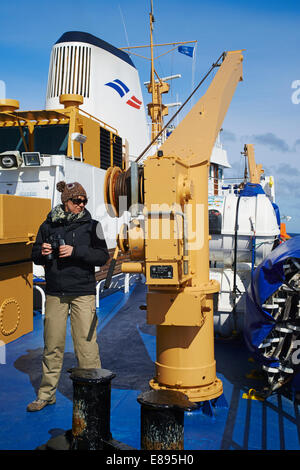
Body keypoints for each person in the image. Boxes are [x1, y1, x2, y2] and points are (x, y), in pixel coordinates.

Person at [27, 181, 109, 412]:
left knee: (86, 346)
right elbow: (35, 254)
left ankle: (93, 397)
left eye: (84, 201)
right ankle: (46, 395)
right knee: (52, 345)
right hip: (55, 293)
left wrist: (76, 251)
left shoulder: (94, 226)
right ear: (66, 202)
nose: (81, 205)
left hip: (83, 293)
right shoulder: (47, 225)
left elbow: (102, 257)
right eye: (76, 201)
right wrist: (42, 253)